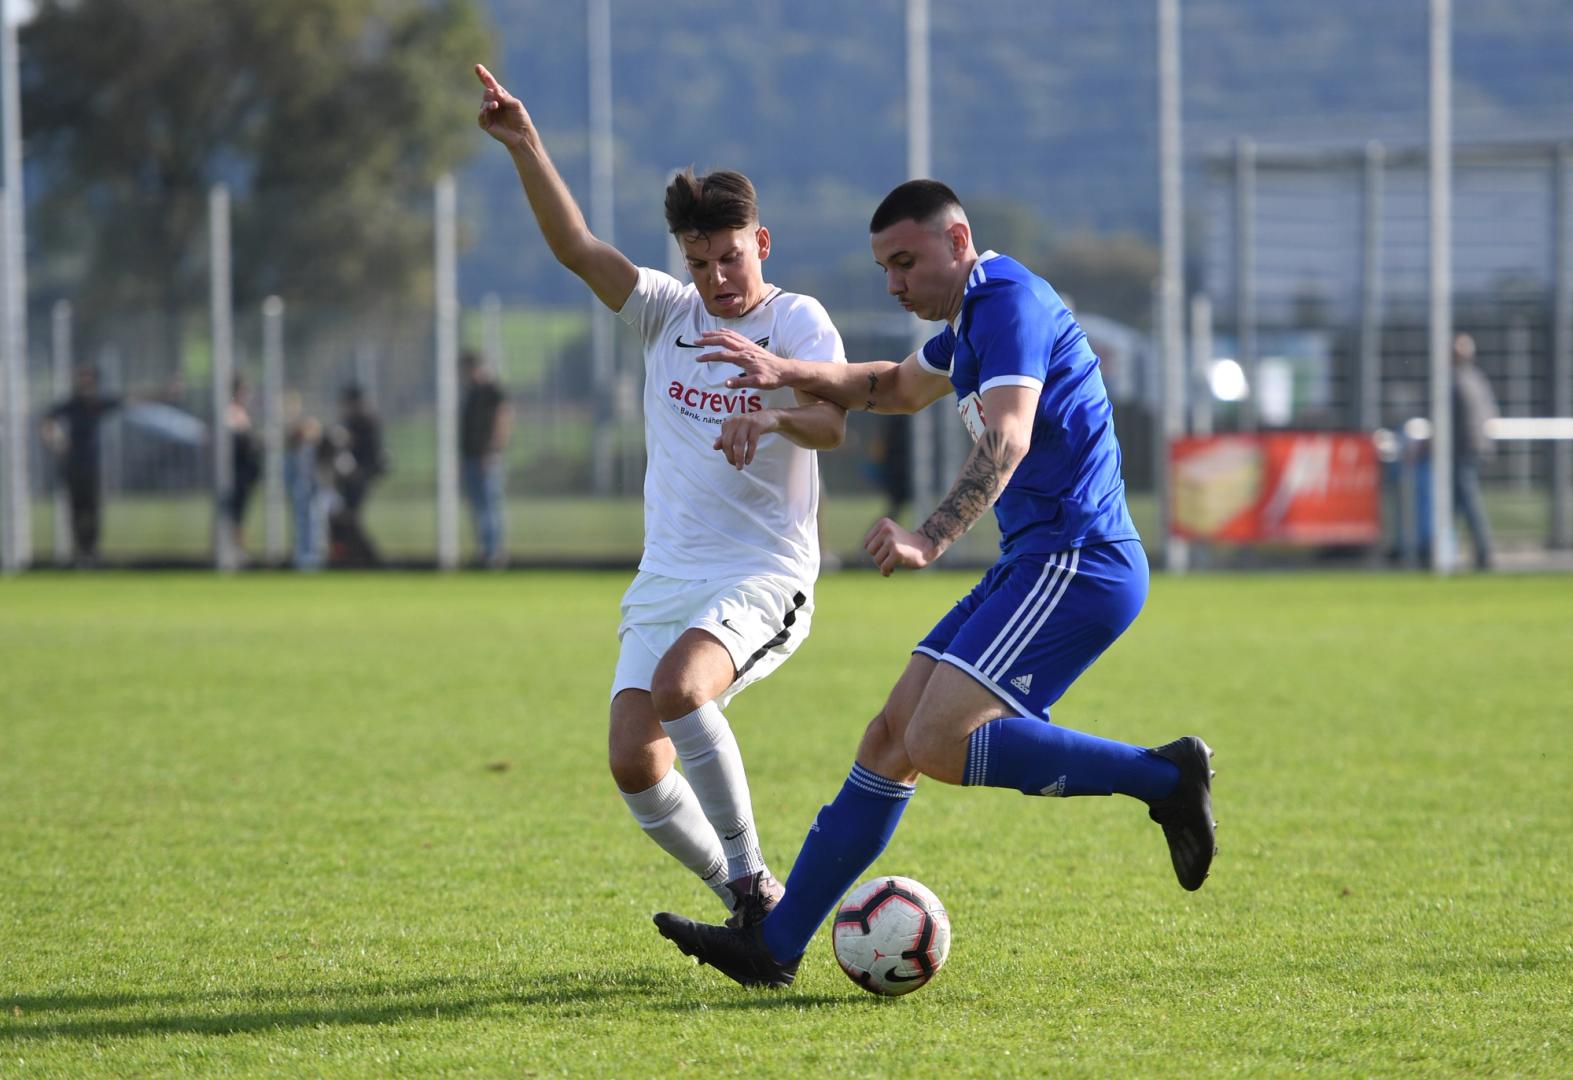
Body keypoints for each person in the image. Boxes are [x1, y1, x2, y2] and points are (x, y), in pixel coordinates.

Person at [653, 180, 1217, 988]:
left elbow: (1010, 436)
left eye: (907, 262)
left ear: (958, 244)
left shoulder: (1006, 302)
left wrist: (929, 536)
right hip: (1033, 563)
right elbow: (891, 387)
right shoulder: (966, 323)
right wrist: (784, 370)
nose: (894, 282)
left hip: (1078, 561)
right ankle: (772, 946)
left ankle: (1165, 778)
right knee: (890, 741)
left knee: (936, 741)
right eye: (884, 267)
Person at [476, 64, 849, 927]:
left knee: (684, 690)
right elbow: (576, 250)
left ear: (763, 243)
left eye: (729, 256)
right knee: (632, 763)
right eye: (699, 261)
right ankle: (745, 906)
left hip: (762, 572)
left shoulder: (797, 322)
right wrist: (526, 145)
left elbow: (831, 424)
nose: (716, 276)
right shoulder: (666, 313)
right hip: (667, 577)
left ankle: (755, 878)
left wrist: (772, 417)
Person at [41, 364, 123, 567]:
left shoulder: (96, 404)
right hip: (73, 467)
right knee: (76, 511)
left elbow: (128, 400)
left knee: (93, 510)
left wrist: (165, 393)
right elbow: (47, 421)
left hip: (92, 468)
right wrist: (57, 442)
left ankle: (92, 552)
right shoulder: (71, 405)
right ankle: (81, 553)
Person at [459, 349, 513, 569]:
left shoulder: (491, 389)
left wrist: (492, 450)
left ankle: (494, 554)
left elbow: (503, 418)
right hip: (471, 457)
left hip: (487, 457)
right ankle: (484, 550)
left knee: (490, 505)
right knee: (478, 506)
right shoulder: (471, 391)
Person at [1449, 333, 1497, 570]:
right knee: (1455, 503)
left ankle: (1483, 551)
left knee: (1467, 501)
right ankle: (1446, 550)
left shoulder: (1455, 381)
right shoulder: (1478, 379)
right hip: (1476, 446)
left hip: (1463, 449)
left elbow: (1452, 420)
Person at [329, 382, 385, 567]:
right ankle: (352, 554)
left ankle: (369, 557)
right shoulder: (350, 421)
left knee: (350, 516)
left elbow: (371, 455)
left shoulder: (366, 422)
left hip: (360, 476)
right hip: (348, 478)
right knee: (345, 516)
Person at [224, 375, 262, 560]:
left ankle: (238, 551)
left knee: (239, 515)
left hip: (246, 473)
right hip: (235, 474)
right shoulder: (229, 412)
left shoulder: (241, 412)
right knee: (233, 515)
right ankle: (236, 551)